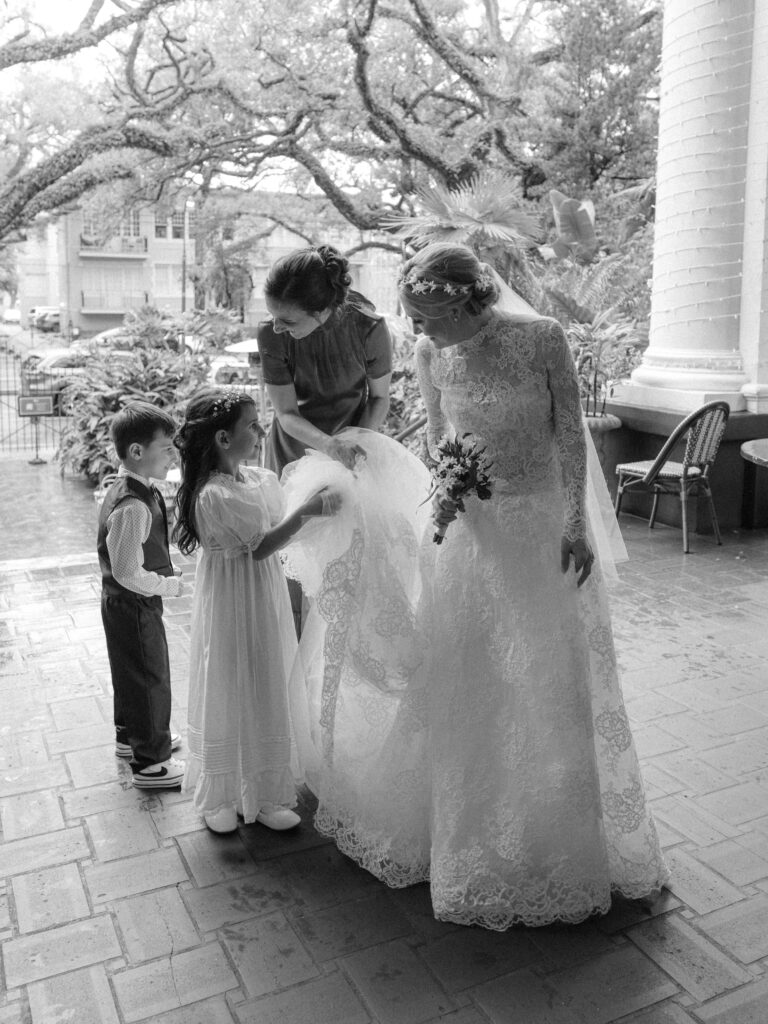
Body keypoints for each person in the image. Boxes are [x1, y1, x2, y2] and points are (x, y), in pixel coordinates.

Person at [286, 243, 668, 930]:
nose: (419, 334)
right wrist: (449, 482)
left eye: (428, 318)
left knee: (547, 677)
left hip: (541, 525)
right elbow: (438, 435)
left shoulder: (541, 338)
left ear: (464, 301)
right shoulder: (434, 355)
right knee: (465, 675)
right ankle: (460, 828)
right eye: (413, 321)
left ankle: (556, 828)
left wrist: (577, 522)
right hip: (470, 530)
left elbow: (570, 437)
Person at [173, 387, 340, 835]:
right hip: (229, 600)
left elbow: (280, 532)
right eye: (252, 424)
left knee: (266, 674)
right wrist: (309, 511)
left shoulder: (262, 480)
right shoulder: (211, 496)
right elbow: (261, 546)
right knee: (228, 677)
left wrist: (321, 502)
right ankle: (222, 792)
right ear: (224, 439)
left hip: (264, 599)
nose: (261, 429)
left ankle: (265, 791)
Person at [257, 245, 393, 633]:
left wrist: (355, 445)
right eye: (272, 316)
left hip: (353, 449)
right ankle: (290, 654)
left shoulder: (369, 327)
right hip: (292, 448)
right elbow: (285, 413)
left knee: (342, 564)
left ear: (320, 311)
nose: (277, 327)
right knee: (291, 566)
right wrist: (328, 445)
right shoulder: (272, 333)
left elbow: (379, 397)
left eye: (287, 319)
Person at [97, 401, 184, 790]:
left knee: (130, 670)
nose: (173, 455)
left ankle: (129, 736)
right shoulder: (133, 505)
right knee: (149, 674)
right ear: (137, 452)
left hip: (121, 602)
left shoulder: (128, 490)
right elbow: (128, 571)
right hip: (133, 602)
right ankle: (151, 761)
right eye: (166, 448)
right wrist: (168, 585)